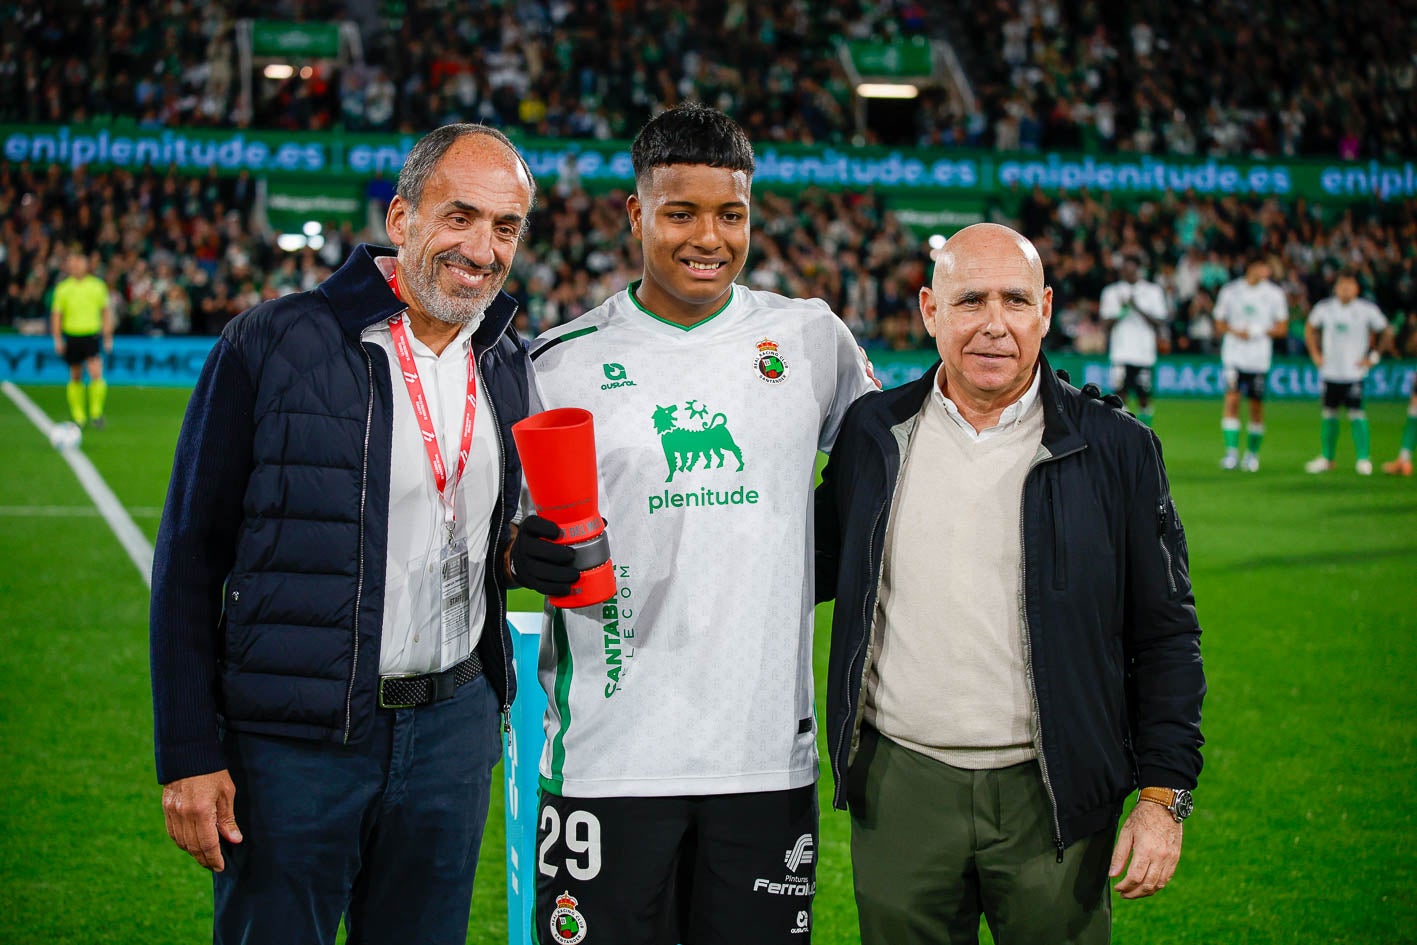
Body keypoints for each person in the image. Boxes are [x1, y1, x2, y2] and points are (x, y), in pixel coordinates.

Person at [149, 124, 557, 945]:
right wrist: (190, 749)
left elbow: (470, 538)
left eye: (505, 228)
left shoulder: (506, 359)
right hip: (297, 742)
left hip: (450, 731)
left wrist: (524, 556)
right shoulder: (272, 342)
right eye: (460, 216)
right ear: (402, 219)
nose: (481, 249)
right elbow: (190, 556)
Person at [511, 103, 876, 945]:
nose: (707, 236)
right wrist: (518, 556)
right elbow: (509, 540)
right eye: (680, 213)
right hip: (606, 755)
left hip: (761, 757)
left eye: (730, 214)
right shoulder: (559, 363)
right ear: (637, 213)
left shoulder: (810, 339)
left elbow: (887, 469)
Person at [815, 223, 1205, 945]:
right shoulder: (874, 433)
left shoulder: (1116, 447)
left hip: (1053, 794)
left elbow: (1166, 633)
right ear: (930, 311)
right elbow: (797, 564)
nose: (993, 324)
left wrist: (1162, 796)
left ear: (1046, 310)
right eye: (969, 301)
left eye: (1015, 300)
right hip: (900, 789)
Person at [1302, 273, 1392, 475]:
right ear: (1335, 288)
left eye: (1349, 285)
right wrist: (1315, 354)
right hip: (1330, 372)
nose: (1345, 289)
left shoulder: (1366, 310)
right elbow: (1309, 329)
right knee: (1329, 413)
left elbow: (1387, 331)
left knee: (1356, 413)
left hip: (1354, 373)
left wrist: (1373, 357)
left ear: (1356, 289)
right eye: (1341, 285)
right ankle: (1327, 458)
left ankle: (1363, 459)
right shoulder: (1325, 308)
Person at [1214, 257, 1288, 471]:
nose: (1267, 271)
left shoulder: (1274, 294)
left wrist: (1259, 331)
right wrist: (1235, 331)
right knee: (1232, 399)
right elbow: (1219, 322)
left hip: (1258, 358)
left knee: (1256, 405)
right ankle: (1231, 454)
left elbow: (1282, 328)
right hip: (1234, 355)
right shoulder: (1231, 291)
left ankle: (1252, 455)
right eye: (1264, 266)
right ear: (1252, 267)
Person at [1099, 255, 1169, 426]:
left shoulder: (1152, 291)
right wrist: (1122, 310)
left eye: (1132, 270)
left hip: (1144, 355)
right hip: (1121, 354)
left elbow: (1160, 321)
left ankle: (1146, 435)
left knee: (1144, 398)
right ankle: (1124, 436)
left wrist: (1136, 306)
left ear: (1139, 270)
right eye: (1126, 270)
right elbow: (1105, 324)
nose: (1129, 273)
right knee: (1119, 396)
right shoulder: (1112, 292)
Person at [50, 250, 114, 428]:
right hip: (71, 335)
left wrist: (108, 336)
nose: (76, 266)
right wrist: (57, 339)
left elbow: (105, 312)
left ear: (86, 264)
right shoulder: (63, 288)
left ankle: (96, 413)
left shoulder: (97, 286)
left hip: (91, 334)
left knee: (95, 372)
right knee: (75, 374)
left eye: (79, 262)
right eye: (72, 262)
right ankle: (78, 416)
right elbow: (57, 315)